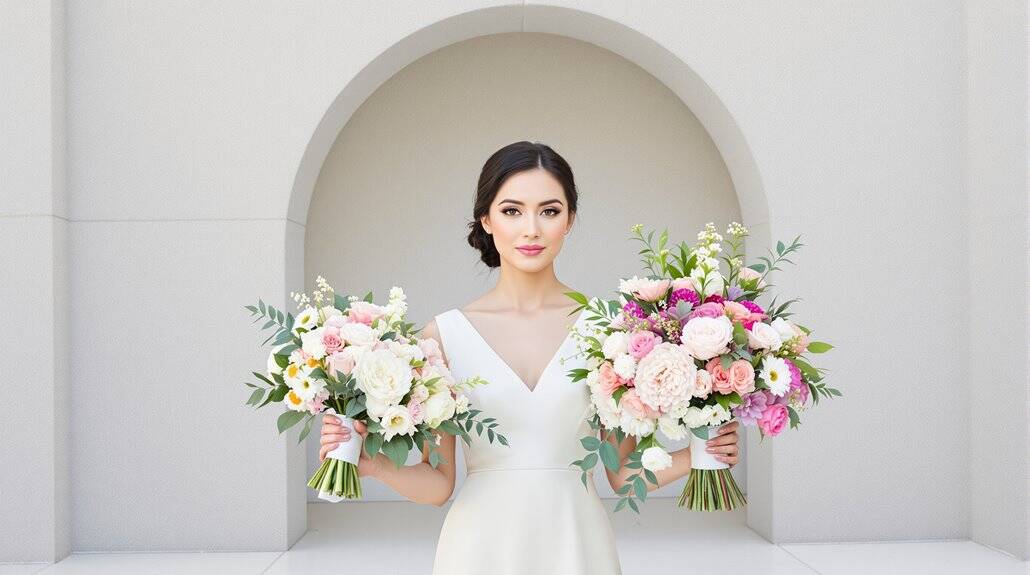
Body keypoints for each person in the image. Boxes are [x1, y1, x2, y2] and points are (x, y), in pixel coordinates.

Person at [320, 141, 741, 574]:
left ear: (570, 220)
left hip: (577, 545)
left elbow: (622, 475)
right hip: (478, 549)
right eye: (512, 210)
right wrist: (375, 466)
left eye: (550, 210)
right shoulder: (444, 336)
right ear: (486, 219)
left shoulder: (608, 331)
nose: (532, 230)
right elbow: (438, 485)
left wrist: (695, 455)